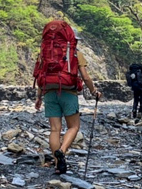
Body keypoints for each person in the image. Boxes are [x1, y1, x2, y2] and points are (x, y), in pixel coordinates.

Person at [33, 21, 101, 175]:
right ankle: (62, 151)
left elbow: (41, 75)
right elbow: (85, 77)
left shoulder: (44, 53)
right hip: (68, 93)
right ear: (72, 39)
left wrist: (38, 97)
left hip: (49, 92)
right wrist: (94, 91)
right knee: (74, 127)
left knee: (54, 129)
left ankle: (58, 165)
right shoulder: (76, 54)